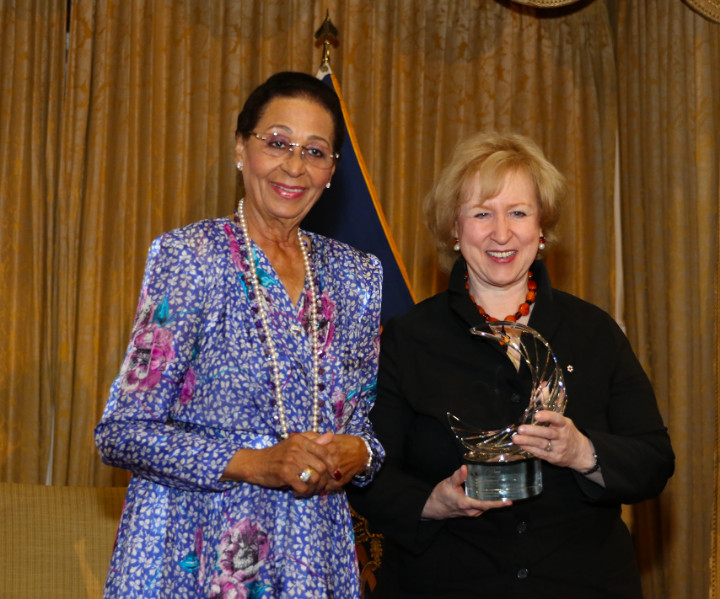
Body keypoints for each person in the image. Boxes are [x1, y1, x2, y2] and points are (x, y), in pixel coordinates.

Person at [95, 71, 384, 598]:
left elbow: (364, 430)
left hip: (312, 555)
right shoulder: (190, 259)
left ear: (331, 172)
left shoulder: (357, 276)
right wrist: (259, 464)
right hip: (198, 550)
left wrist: (359, 454)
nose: (294, 166)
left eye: (315, 152)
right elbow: (121, 432)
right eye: (277, 143)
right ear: (240, 149)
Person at [348, 132, 675, 598]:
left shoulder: (595, 331)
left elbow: (654, 461)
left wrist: (584, 453)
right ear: (454, 231)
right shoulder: (408, 339)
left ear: (542, 229)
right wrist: (433, 502)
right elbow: (369, 472)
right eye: (482, 214)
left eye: (518, 212)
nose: (501, 233)